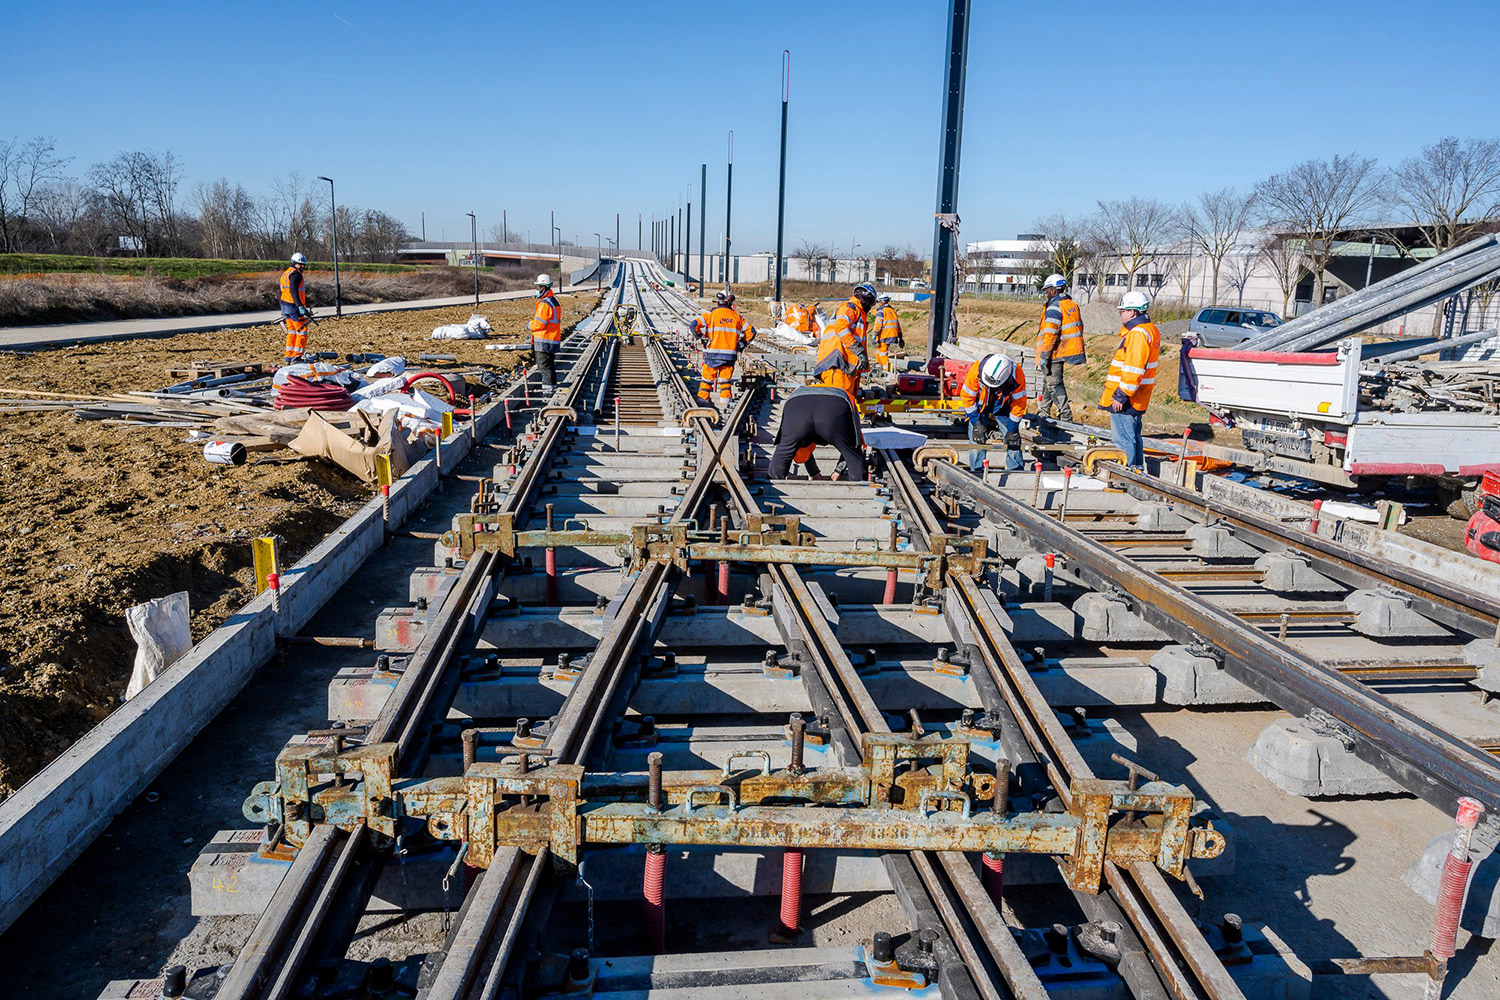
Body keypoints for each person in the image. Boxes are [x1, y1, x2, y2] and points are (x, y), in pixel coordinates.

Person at [1099, 290, 1161, 469]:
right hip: (1138, 395)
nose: (1120, 314)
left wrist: (1121, 395)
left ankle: (1126, 475)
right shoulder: (1150, 330)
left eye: (1123, 311)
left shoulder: (1138, 333)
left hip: (1127, 397)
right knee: (1134, 437)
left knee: (1123, 440)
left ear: (1133, 312)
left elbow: (1133, 368)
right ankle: (1137, 470)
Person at [768, 385, 867, 481]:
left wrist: (814, 473)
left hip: (796, 405)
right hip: (836, 409)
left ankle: (772, 483)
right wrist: (838, 470)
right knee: (851, 453)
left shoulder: (800, 392)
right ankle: (859, 484)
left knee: (785, 449)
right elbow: (854, 442)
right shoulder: (847, 395)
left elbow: (801, 448)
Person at [960, 353, 1028, 474]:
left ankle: (1016, 472)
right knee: (977, 440)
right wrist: (976, 423)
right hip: (980, 406)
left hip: (1003, 405)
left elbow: (1019, 404)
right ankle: (976, 472)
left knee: (1013, 441)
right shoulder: (976, 370)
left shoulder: (1017, 374)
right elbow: (967, 398)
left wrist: (1012, 429)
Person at [811, 282, 875, 409]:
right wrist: (859, 351)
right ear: (866, 299)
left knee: (845, 406)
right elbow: (841, 328)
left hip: (844, 366)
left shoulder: (858, 313)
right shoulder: (850, 307)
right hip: (837, 364)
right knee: (837, 406)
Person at [1034, 273, 1085, 419]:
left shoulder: (1054, 307)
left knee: (1054, 384)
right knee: (1047, 382)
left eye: (1048, 290)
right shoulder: (1071, 304)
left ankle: (1066, 416)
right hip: (1066, 349)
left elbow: (1050, 334)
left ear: (1054, 290)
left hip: (1054, 352)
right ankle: (1043, 412)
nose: (1046, 294)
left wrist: (1044, 355)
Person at [693, 290, 754, 402]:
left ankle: (702, 399)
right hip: (729, 355)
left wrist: (701, 338)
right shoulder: (737, 317)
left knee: (707, 379)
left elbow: (693, 325)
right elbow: (751, 332)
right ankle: (725, 400)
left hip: (712, 353)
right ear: (730, 302)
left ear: (718, 301)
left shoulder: (710, 315)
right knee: (725, 379)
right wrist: (740, 345)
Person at [528, 273, 563, 389]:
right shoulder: (553, 301)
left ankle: (548, 394)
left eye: (537, 287)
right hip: (551, 339)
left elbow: (539, 324)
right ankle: (551, 388)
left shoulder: (545, 304)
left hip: (544, 341)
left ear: (543, 288)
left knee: (544, 367)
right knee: (549, 366)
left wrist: (529, 325)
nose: (536, 289)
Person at [279, 252, 312, 363]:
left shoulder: (286, 273)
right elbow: (293, 291)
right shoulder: (296, 274)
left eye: (303, 264)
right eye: (300, 264)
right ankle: (297, 356)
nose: (302, 266)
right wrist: (300, 306)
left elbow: (282, 292)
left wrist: (282, 309)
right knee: (302, 330)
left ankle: (288, 356)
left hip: (285, 306)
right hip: (294, 307)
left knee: (292, 332)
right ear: (294, 263)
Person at [867, 293, 904, 371]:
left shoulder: (881, 311)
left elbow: (878, 325)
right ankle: (878, 367)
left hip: (885, 335)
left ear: (882, 302)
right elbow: (898, 325)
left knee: (883, 352)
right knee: (878, 351)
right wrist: (900, 337)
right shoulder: (892, 311)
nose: (878, 304)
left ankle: (886, 370)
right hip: (893, 334)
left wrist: (874, 335)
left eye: (879, 302)